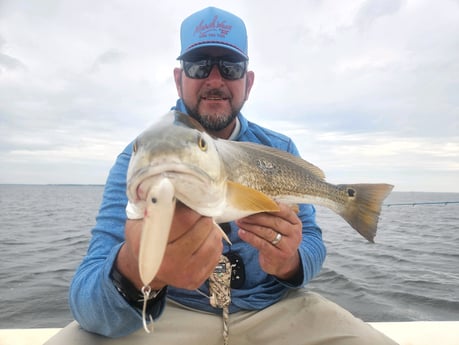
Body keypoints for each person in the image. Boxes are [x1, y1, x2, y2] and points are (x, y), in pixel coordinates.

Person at [45, 7, 398, 345]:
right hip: (171, 311)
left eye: (230, 66)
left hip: (272, 308)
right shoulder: (143, 156)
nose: (215, 80)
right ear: (178, 78)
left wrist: (289, 262)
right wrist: (135, 271)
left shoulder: (280, 148)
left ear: (249, 81)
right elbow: (87, 299)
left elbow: (313, 244)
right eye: (198, 66)